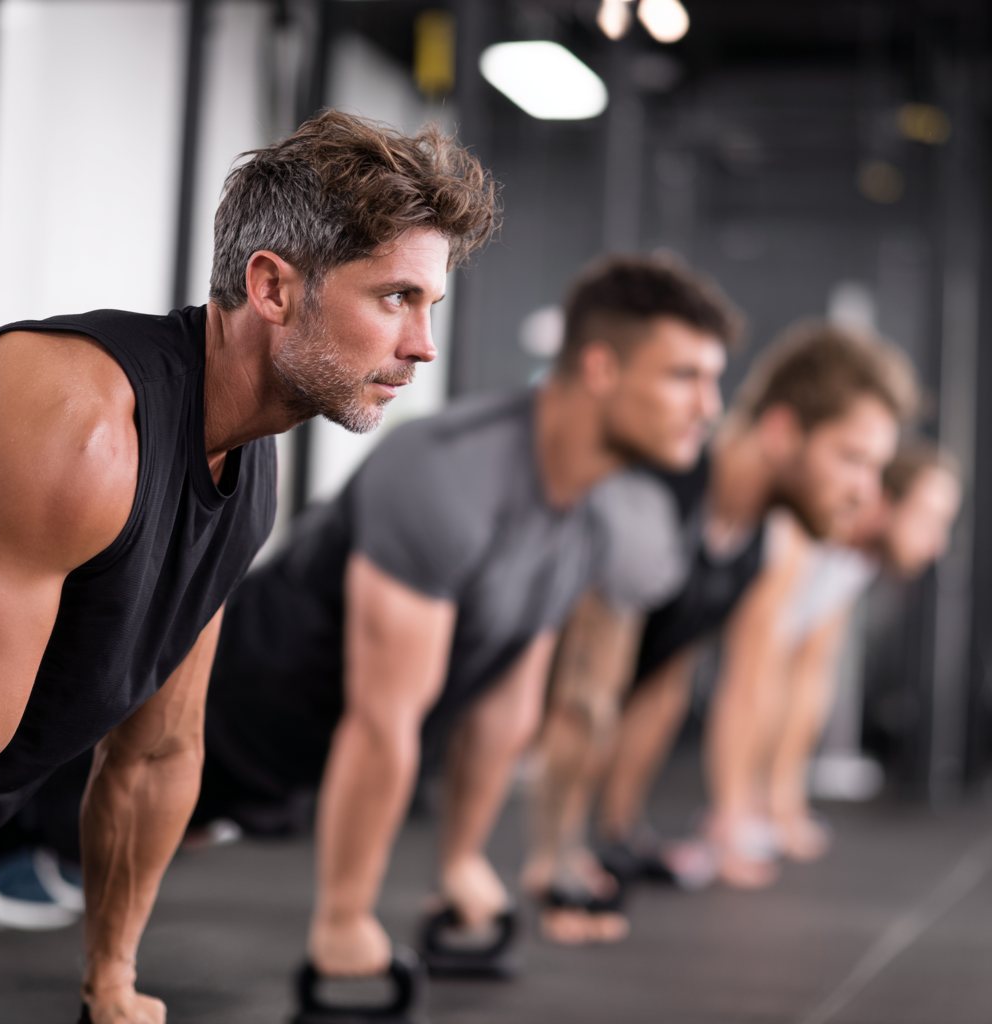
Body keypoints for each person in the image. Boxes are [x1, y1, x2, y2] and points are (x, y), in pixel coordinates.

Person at [0, 111, 496, 1023]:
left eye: (430, 307)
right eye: (393, 299)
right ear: (273, 287)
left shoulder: (245, 465)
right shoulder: (76, 420)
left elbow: (157, 750)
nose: (423, 348)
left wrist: (112, 982)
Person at [192, 254, 741, 980]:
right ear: (603, 368)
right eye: (685, 377)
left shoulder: (591, 512)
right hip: (209, 722)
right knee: (19, 832)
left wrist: (460, 864)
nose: (709, 407)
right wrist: (345, 921)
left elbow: (505, 707)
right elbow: (381, 719)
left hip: (295, 777)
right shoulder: (449, 470)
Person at [528, 320, 919, 927]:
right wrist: (556, 869)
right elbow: (584, 697)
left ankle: (617, 828)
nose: (866, 492)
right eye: (851, 458)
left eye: (874, 467)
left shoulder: (762, 539)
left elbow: (663, 683)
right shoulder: (659, 498)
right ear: (783, 430)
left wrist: (620, 833)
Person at [762, 440, 962, 861]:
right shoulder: (805, 540)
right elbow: (752, 674)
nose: (936, 544)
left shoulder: (855, 563)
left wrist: (784, 803)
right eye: (927, 519)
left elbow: (808, 674)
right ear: (884, 501)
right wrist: (733, 811)